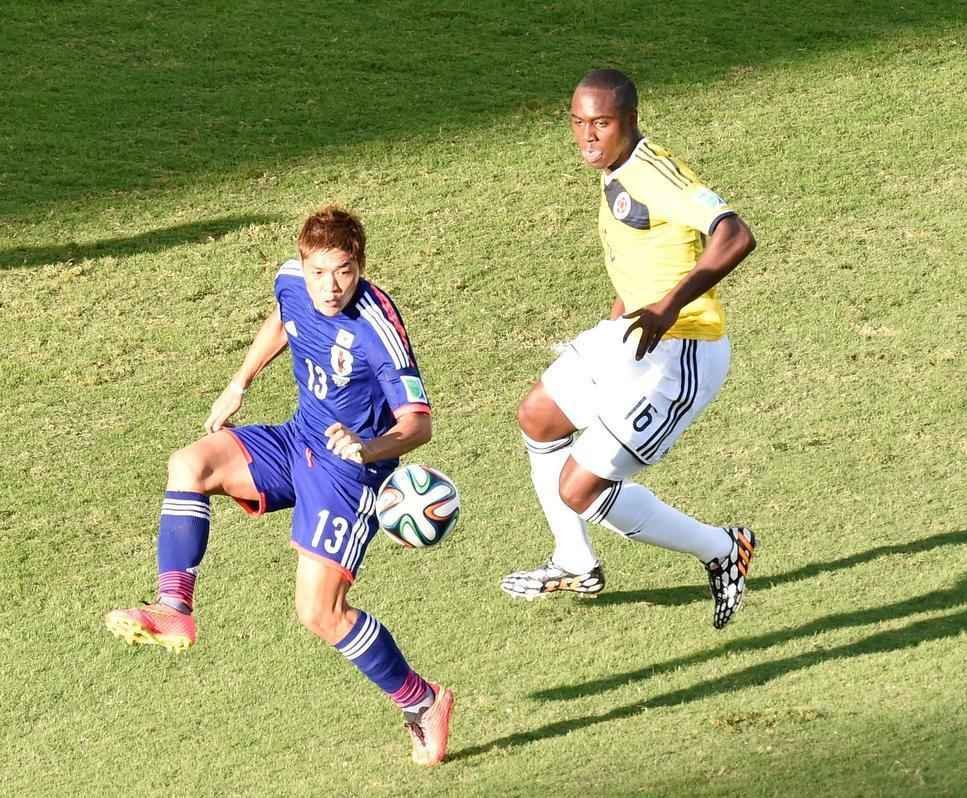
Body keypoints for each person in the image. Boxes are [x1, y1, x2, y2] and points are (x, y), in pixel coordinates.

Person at [104, 206, 454, 766]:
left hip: (349, 476)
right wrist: (238, 383)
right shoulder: (292, 282)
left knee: (319, 614)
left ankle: (423, 701)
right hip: (297, 440)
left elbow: (418, 424)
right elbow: (284, 319)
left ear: (359, 263)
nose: (329, 286)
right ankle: (174, 607)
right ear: (303, 262)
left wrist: (366, 448)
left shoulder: (378, 327)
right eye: (318, 271)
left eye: (342, 270)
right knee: (190, 464)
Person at [501, 69, 759, 629]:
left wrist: (669, 305)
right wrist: (626, 311)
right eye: (578, 123)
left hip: (682, 352)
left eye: (601, 123)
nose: (587, 136)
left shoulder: (654, 172)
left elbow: (734, 234)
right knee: (538, 416)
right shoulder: (615, 167)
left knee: (579, 488)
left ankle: (722, 548)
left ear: (630, 122)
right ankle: (574, 560)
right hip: (634, 334)